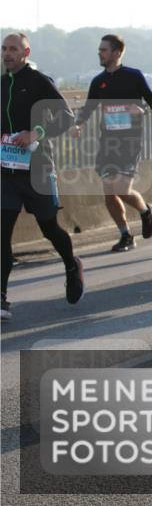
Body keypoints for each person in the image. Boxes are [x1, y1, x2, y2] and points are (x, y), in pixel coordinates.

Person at [1, 32, 84, 320]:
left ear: (26, 52)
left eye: (13, 49)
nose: (7, 53)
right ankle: (1, 298)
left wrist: (34, 133)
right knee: (2, 235)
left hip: (38, 168)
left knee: (49, 228)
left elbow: (66, 118)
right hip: (6, 173)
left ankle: (72, 266)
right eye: (4, 49)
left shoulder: (38, 82)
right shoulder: (1, 84)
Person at [71, 34, 152, 252]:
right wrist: (79, 124)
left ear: (117, 52)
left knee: (121, 188)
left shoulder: (133, 76)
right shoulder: (98, 81)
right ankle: (126, 235)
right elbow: (90, 108)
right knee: (109, 192)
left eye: (104, 50)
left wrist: (142, 110)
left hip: (129, 142)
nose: (100, 53)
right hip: (108, 142)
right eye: (99, 50)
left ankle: (146, 211)